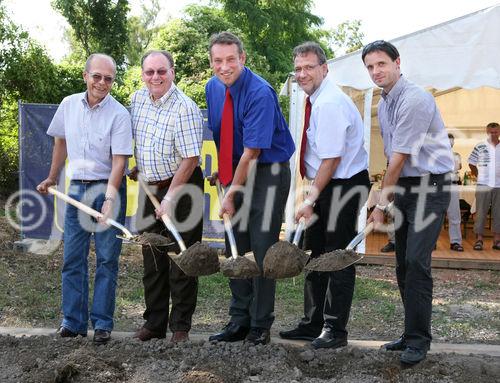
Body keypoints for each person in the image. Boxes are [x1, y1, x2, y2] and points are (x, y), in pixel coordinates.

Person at [362, 40, 453, 365]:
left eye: (381, 64)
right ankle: (410, 333)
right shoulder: (385, 103)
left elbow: (399, 158)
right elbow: (392, 159)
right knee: (402, 262)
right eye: (370, 67)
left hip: (431, 185)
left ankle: (418, 341)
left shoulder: (414, 99)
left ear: (397, 63)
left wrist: (380, 204)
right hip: (405, 186)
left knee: (416, 261)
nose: (376, 71)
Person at [279, 42, 370, 349]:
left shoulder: (329, 102)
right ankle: (312, 323)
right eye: (298, 68)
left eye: (309, 67)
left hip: (343, 186)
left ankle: (334, 330)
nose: (302, 74)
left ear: (324, 68)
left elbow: (331, 160)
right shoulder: (315, 99)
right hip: (328, 182)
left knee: (336, 258)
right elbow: (321, 159)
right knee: (315, 253)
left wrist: (309, 199)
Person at [36, 53, 132, 345]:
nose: (102, 83)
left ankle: (102, 323)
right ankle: (73, 322)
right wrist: (53, 177)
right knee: (72, 258)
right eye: (97, 76)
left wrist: (109, 200)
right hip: (76, 188)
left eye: (108, 78)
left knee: (106, 259)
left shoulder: (119, 114)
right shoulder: (68, 105)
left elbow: (119, 162)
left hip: (107, 188)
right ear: (85, 75)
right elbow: (61, 143)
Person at [205, 32, 294, 345]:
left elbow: (253, 151)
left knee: (260, 250)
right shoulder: (212, 88)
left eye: (231, 59)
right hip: (237, 171)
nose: (225, 66)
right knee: (234, 248)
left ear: (242, 58)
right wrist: (224, 172)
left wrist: (231, 193)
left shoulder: (260, 92)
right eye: (218, 60)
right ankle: (239, 320)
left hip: (267, 174)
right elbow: (225, 135)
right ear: (211, 62)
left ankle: (260, 324)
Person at [129, 50, 204, 343]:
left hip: (183, 187)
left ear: (173, 72)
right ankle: (154, 323)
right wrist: (141, 166)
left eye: (162, 71)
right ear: (142, 74)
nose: (155, 77)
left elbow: (190, 159)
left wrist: (171, 198)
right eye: (150, 72)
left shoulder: (185, 108)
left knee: (181, 257)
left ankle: (180, 327)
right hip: (149, 187)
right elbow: (142, 141)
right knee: (152, 257)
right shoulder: (136, 100)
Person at [468, 122, 500, 251]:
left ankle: (497, 240)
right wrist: (478, 175)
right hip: (483, 184)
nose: (493, 134)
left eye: (495, 132)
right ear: (487, 132)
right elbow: (471, 162)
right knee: (480, 213)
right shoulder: (480, 146)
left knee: (498, 213)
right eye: (491, 132)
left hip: (499, 185)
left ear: (499, 132)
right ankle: (479, 240)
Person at [447, 133, 464, 252]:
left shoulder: (456, 155)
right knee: (435, 215)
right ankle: (432, 242)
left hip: (452, 185)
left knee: (455, 215)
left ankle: (455, 241)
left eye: (451, 141)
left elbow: (458, 166)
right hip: (438, 186)